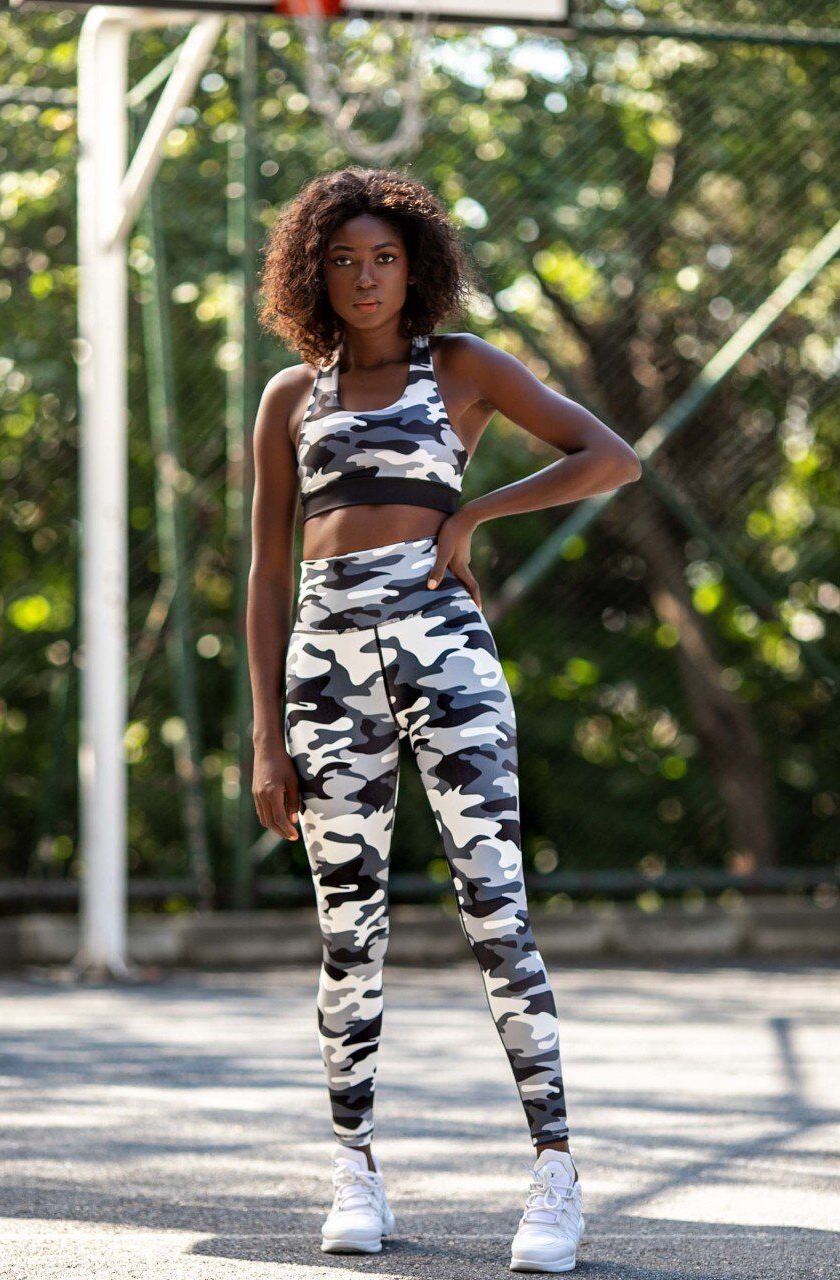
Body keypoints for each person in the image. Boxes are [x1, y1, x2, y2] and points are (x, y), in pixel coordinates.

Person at [248, 166, 641, 1273]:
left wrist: (473, 514)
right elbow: (267, 572)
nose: (365, 277)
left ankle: (555, 1174)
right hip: (324, 663)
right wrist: (268, 737)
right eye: (343, 260)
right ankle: (356, 1168)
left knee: (495, 905)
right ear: (314, 274)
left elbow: (611, 456)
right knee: (348, 929)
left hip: (442, 645)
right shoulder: (291, 396)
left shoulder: (462, 367)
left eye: (383, 257)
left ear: (413, 265)